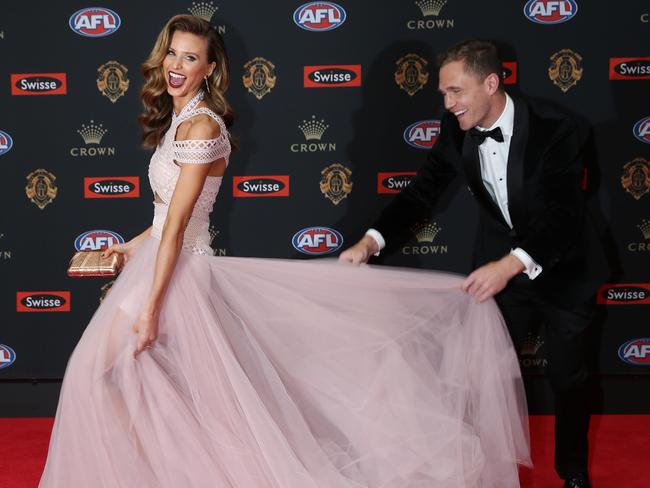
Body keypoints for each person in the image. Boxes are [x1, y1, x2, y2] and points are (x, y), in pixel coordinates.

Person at [39, 19, 530, 488]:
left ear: (209, 69)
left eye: (191, 57)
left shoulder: (204, 130)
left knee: (109, 379)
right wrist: (125, 250)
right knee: (140, 388)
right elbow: (161, 220)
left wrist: (149, 310)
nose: (176, 64)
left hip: (178, 278)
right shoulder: (179, 123)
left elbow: (178, 230)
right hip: (156, 268)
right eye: (172, 52)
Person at [341, 39, 609, 488]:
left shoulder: (557, 129)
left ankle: (574, 473)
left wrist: (510, 264)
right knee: (476, 378)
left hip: (563, 268)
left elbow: (564, 216)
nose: (448, 104)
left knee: (569, 378)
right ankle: (476, 473)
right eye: (443, 94)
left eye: (456, 92)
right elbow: (420, 194)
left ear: (491, 82)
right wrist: (371, 241)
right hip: (500, 273)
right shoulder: (454, 131)